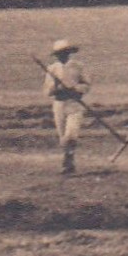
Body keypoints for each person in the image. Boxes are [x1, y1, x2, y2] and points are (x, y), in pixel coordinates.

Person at [42, 38, 91, 175]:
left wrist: (76, 89)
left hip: (74, 104)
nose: (61, 55)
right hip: (59, 104)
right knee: (63, 137)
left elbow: (87, 84)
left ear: (69, 53)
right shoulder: (52, 69)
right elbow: (47, 91)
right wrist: (56, 88)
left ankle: (68, 161)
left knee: (71, 134)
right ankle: (68, 161)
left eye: (64, 52)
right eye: (59, 53)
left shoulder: (78, 67)